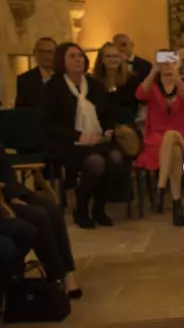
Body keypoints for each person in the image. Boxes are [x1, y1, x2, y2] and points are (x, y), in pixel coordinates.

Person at [42, 43, 125, 229]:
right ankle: (81, 207)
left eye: (80, 56)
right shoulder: (53, 87)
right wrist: (78, 136)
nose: (78, 59)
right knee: (96, 163)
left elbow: (107, 113)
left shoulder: (93, 85)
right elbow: (49, 123)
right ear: (62, 60)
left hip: (96, 140)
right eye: (72, 56)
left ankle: (99, 207)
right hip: (68, 143)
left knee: (116, 158)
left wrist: (107, 130)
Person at [0, 143, 81, 297]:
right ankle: (56, 276)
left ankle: (68, 272)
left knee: (52, 209)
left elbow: (3, 164)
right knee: (38, 215)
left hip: (8, 189)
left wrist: (12, 193)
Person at [136, 54, 184, 226]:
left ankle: (160, 188)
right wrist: (153, 71)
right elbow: (140, 94)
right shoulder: (153, 89)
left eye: (171, 62)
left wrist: (177, 76)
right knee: (174, 150)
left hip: (182, 138)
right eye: (163, 63)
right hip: (156, 142)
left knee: (171, 136)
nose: (167, 66)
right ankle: (176, 204)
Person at [16, 37, 57, 109]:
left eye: (50, 52)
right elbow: (20, 112)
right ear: (34, 53)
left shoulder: (65, 76)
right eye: (42, 52)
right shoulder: (25, 80)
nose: (46, 56)